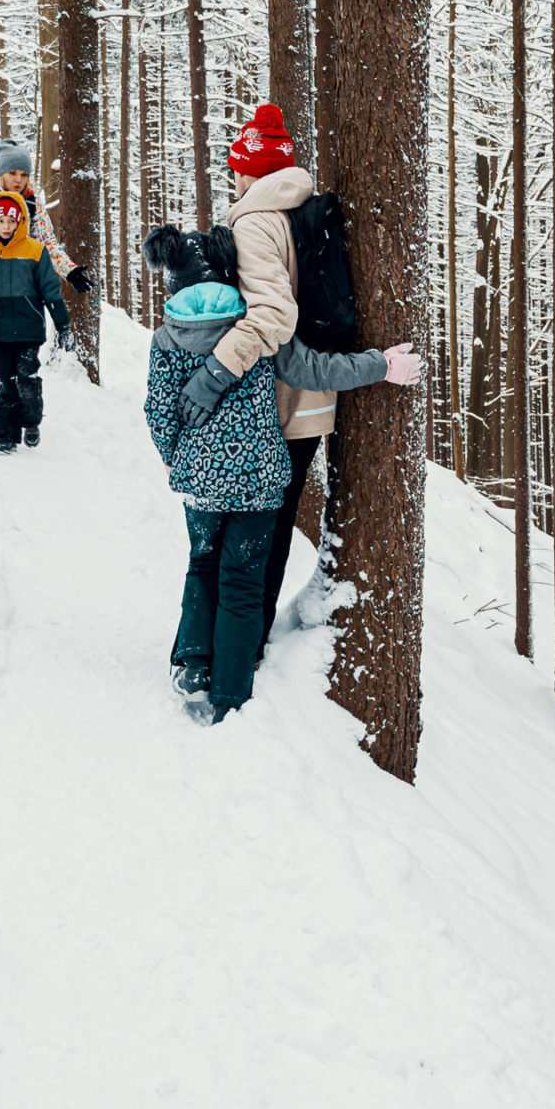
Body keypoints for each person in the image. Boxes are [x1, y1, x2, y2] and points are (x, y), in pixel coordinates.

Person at [142, 226, 419, 722]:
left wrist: (172, 454)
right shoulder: (257, 330)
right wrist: (380, 365)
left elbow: (158, 410)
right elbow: (316, 370)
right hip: (258, 482)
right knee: (243, 583)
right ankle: (230, 692)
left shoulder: (167, 339)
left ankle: (191, 664)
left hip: (201, 485)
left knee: (202, 565)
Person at [195, 103, 331, 641]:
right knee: (271, 523)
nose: (233, 174)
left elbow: (275, 314)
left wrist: (216, 370)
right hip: (315, 392)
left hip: (278, 395)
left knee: (256, 531)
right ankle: (248, 638)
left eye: (237, 165)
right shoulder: (299, 208)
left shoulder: (254, 221)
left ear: (250, 171)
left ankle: (242, 645)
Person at [0, 139, 88, 422]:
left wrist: (69, 270)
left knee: (20, 348)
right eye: (13, 174)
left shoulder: (32, 201)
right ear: (0, 172)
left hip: (20, 283)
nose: (18, 180)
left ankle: (14, 411)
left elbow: (47, 242)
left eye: (23, 174)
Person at [0, 189, 71, 453]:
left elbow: (51, 291)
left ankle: (31, 422)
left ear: (20, 221)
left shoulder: (36, 252)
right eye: (0, 221)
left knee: (26, 379)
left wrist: (63, 325)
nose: (5, 226)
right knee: (0, 384)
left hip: (27, 330)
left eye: (11, 221)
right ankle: (4, 437)